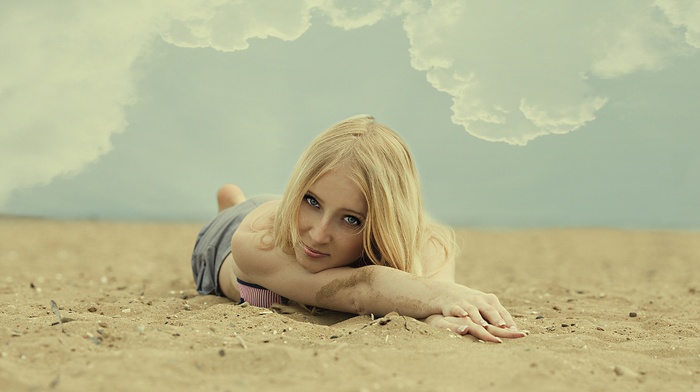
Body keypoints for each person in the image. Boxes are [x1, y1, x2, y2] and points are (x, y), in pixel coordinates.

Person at [191, 115, 528, 343]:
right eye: (311, 200)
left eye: (351, 219)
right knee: (238, 212)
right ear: (298, 188)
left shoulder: (429, 240)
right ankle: (232, 204)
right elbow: (362, 289)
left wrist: (439, 317)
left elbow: (428, 296)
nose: (320, 234)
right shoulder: (253, 245)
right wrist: (442, 297)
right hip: (234, 237)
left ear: (384, 219)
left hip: (283, 212)